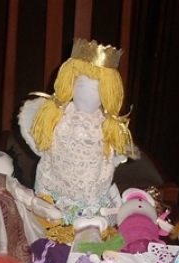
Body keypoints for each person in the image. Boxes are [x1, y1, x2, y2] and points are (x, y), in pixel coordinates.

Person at [19, 38, 135, 223]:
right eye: (80, 84)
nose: (88, 94)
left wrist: (116, 156)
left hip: (91, 193)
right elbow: (40, 140)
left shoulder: (106, 124)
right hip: (54, 188)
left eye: (97, 88)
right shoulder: (58, 114)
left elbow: (119, 150)